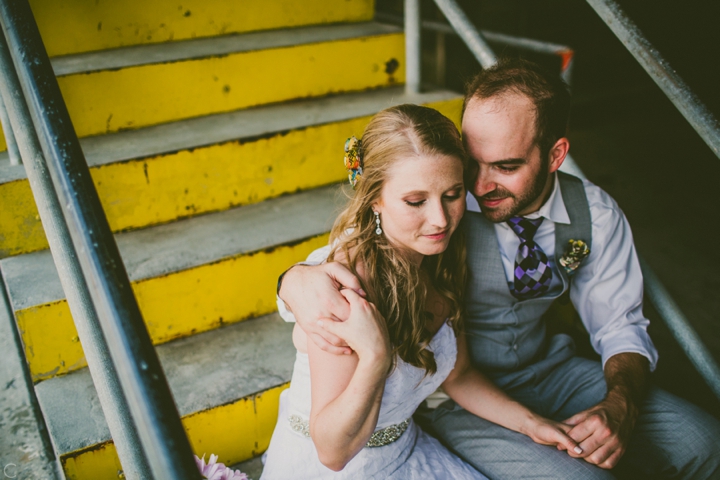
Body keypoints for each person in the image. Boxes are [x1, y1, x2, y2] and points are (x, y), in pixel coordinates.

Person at [277, 59, 720, 479]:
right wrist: (294, 280)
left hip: (548, 368)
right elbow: (360, 251)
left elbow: (620, 325)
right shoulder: (441, 195)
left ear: (555, 154)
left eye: (506, 167)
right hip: (450, 402)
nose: (477, 187)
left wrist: (621, 403)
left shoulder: (594, 214)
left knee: (705, 442)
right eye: (471, 165)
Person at [261, 104, 586, 479]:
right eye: (415, 202)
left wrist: (532, 425)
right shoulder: (347, 287)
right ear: (375, 199)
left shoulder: (439, 256)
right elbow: (332, 450)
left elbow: (459, 375)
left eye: (452, 194)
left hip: (407, 451)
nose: (440, 219)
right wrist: (375, 357)